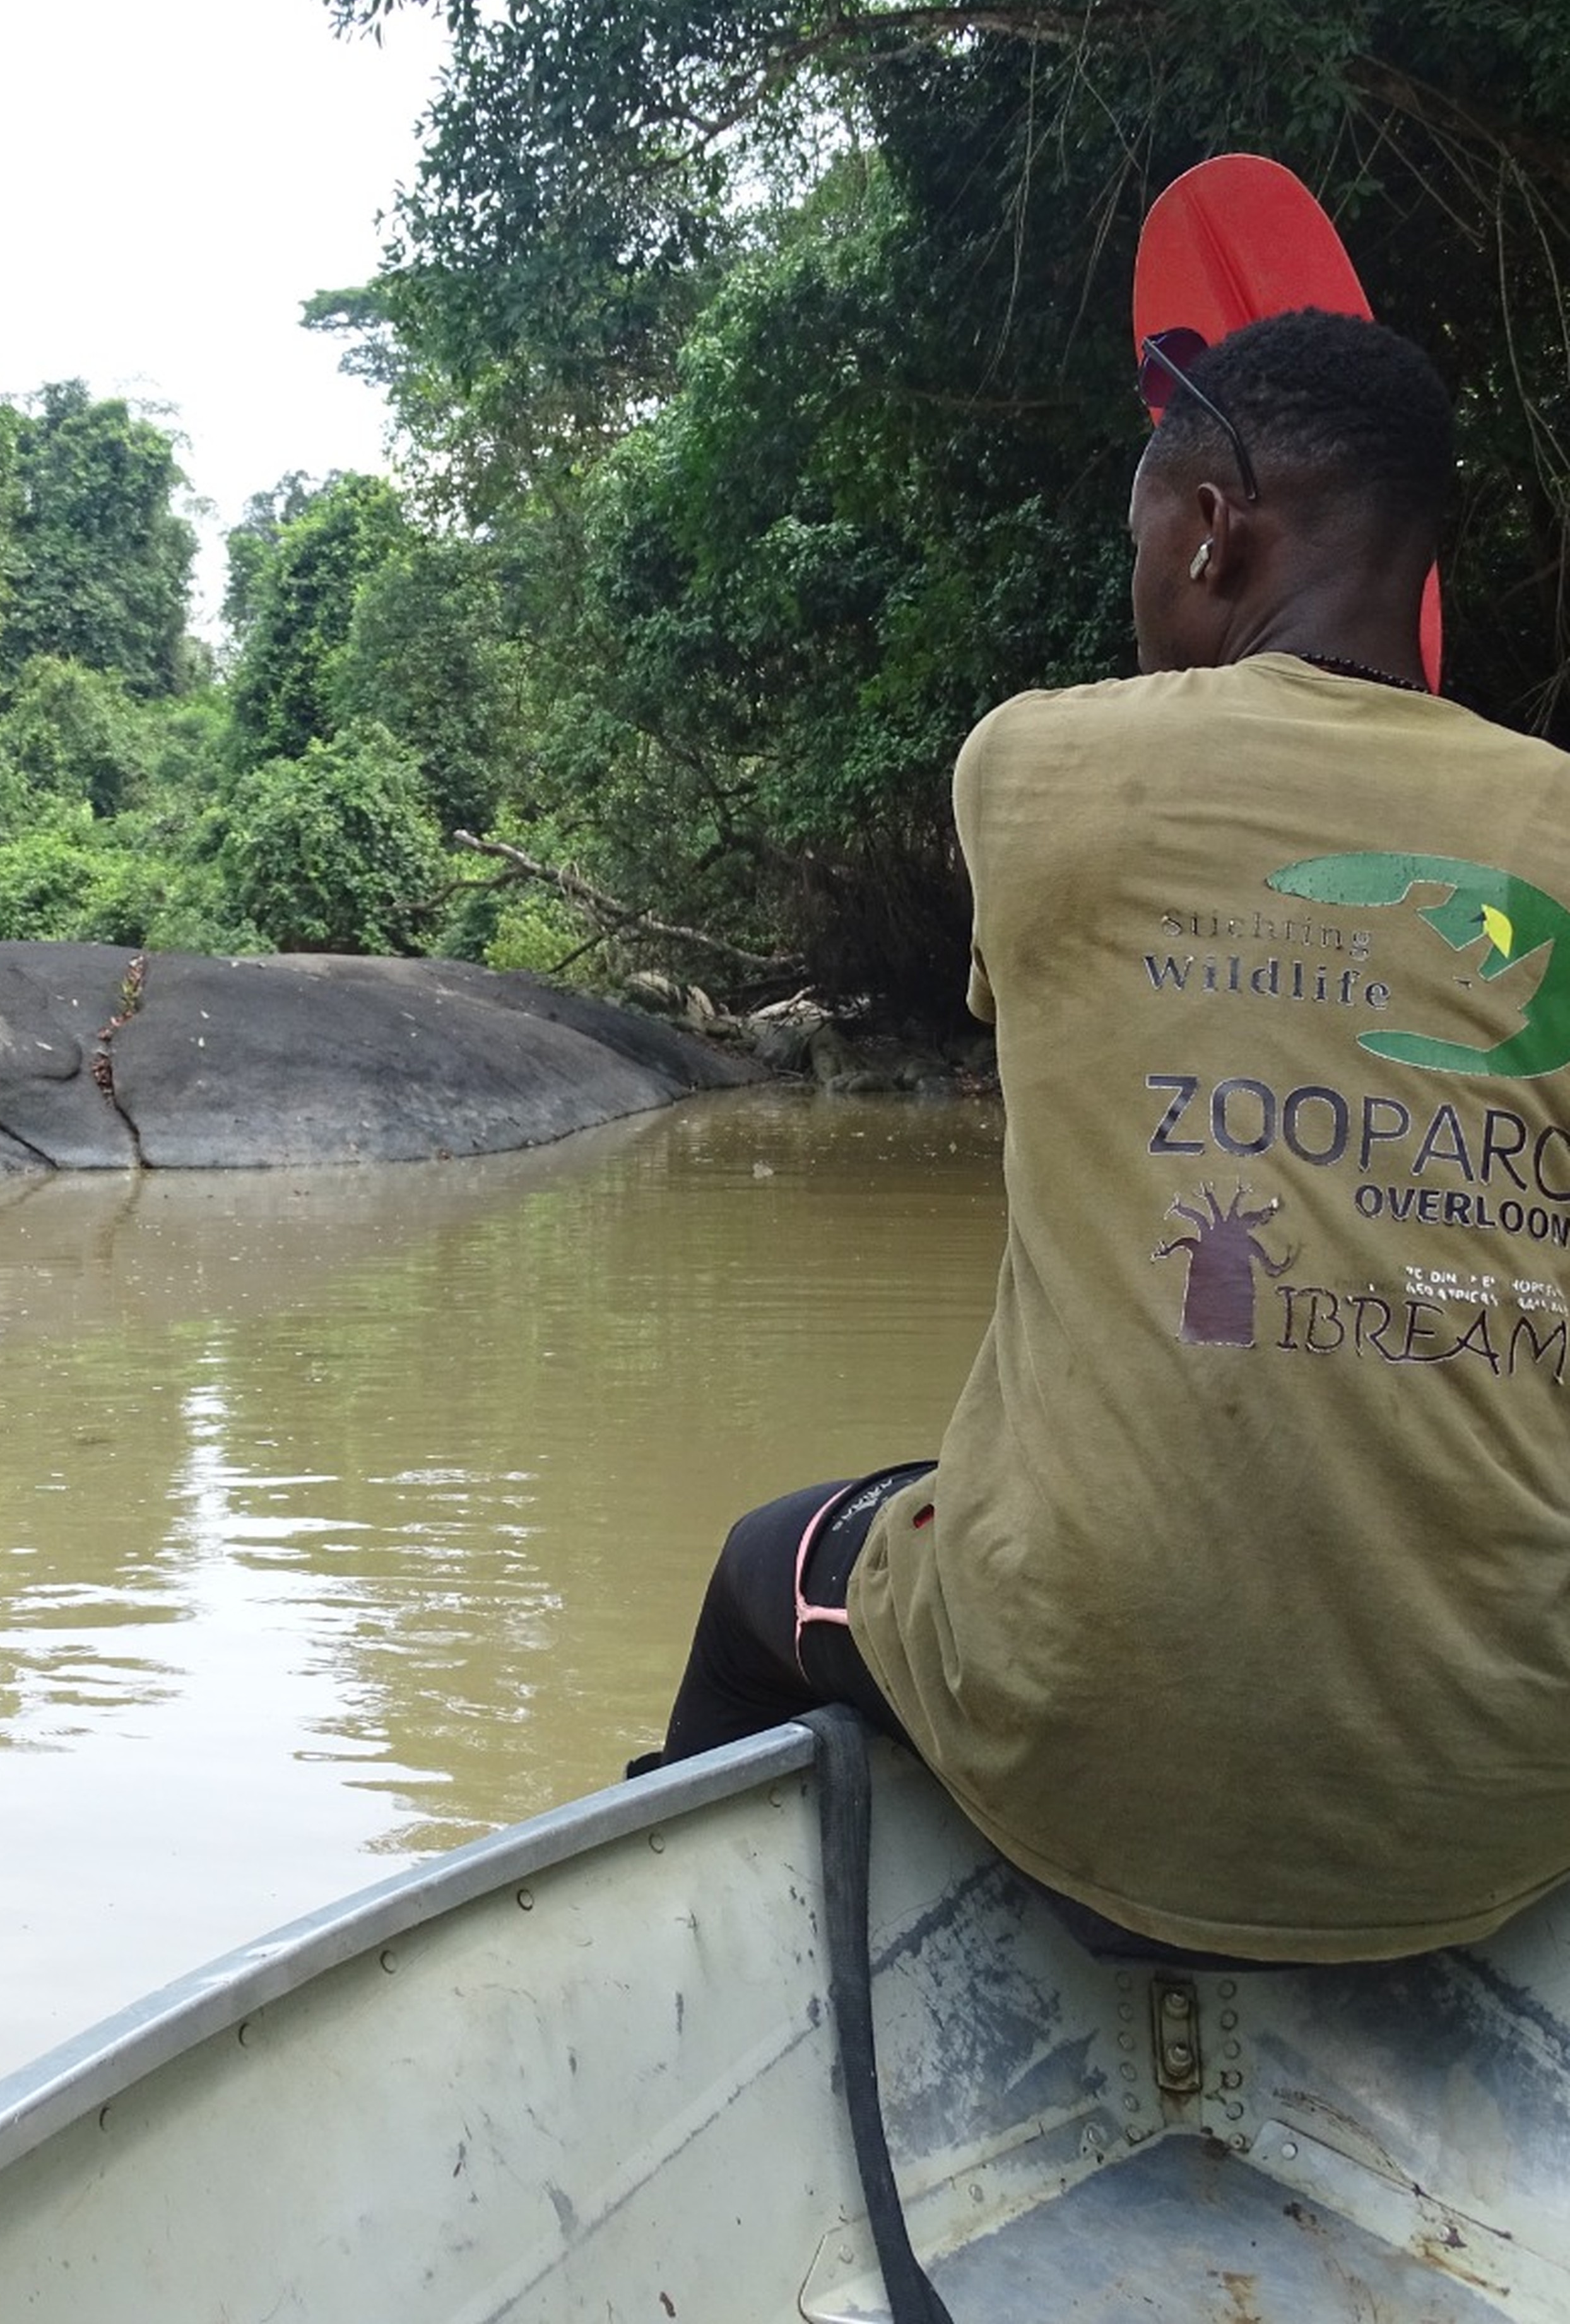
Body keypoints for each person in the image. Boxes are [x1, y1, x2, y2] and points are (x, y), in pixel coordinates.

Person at [644, 307, 1570, 1964]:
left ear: (1212, 529)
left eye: (1149, 535)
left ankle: (707, 1988)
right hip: (1513, 1786)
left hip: (1094, 1745)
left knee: (757, 1565)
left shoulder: (1043, 772)